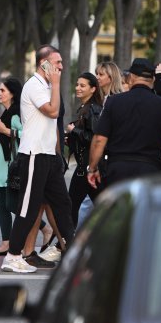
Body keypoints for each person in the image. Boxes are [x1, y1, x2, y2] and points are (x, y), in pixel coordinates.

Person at [1, 45, 75, 274]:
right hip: (34, 155)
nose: (61, 66)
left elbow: (54, 118)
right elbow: (53, 111)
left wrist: (57, 154)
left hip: (49, 156)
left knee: (63, 205)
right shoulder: (34, 86)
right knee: (29, 208)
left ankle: (73, 256)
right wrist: (56, 82)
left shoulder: (46, 85)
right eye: (57, 62)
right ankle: (12, 256)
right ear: (44, 64)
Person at [88, 58, 161, 189]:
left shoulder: (114, 102)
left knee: (119, 209)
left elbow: (99, 139)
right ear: (153, 80)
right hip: (151, 170)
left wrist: (92, 168)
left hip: (118, 169)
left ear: (131, 77)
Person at [0, 78, 23, 256]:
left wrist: (5, 131)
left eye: (3, 90)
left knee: (11, 204)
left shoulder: (16, 114)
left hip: (12, 168)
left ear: (12, 93)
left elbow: (26, 135)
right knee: (2, 204)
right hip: (3, 168)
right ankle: (6, 243)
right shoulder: (6, 113)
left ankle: (43, 228)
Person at [65, 72, 103, 229]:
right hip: (85, 166)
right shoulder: (85, 108)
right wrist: (72, 139)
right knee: (100, 207)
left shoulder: (93, 109)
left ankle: (66, 245)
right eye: (77, 85)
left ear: (93, 89)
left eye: (82, 85)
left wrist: (74, 131)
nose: (78, 88)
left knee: (71, 206)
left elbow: (94, 137)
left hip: (87, 167)